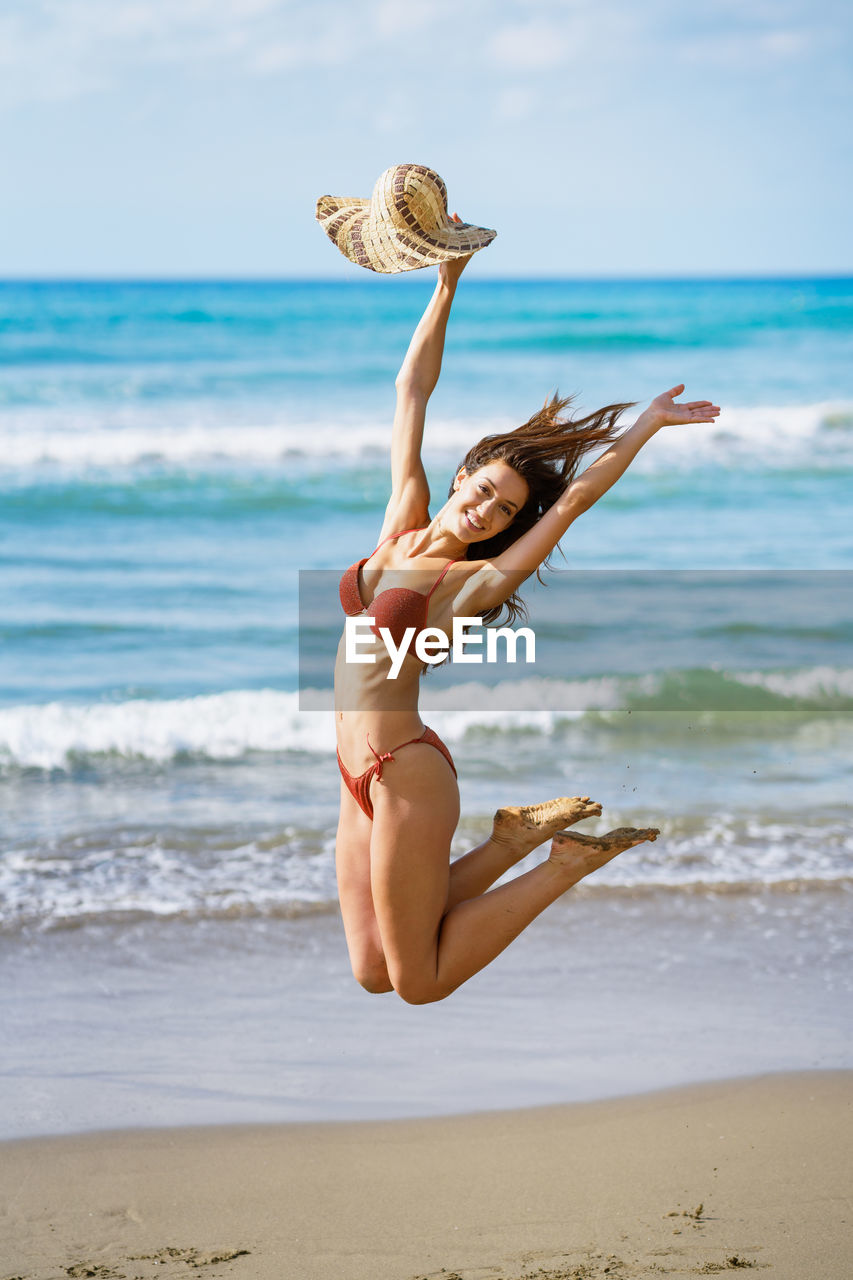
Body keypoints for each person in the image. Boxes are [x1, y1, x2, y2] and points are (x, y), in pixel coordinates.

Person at [334, 240, 720, 1004]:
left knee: (420, 982)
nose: (488, 509)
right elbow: (410, 391)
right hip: (351, 774)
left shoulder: (471, 582)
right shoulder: (401, 522)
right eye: (484, 489)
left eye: (506, 509)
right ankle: (513, 839)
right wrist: (446, 282)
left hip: (407, 772)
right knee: (372, 970)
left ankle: (561, 865)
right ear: (461, 476)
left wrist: (644, 425)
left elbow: (572, 501)